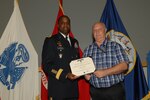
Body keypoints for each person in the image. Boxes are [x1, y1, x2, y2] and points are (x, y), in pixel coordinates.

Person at [83, 22, 129, 100]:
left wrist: (105, 72)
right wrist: (85, 74)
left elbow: (124, 65)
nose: (97, 32)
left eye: (99, 29)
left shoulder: (115, 46)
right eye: (94, 30)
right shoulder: (87, 50)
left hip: (114, 91)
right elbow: (85, 69)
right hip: (95, 92)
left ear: (105, 30)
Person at [42, 15, 80, 100]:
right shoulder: (51, 41)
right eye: (62, 23)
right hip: (58, 91)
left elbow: (77, 62)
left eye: (67, 23)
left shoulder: (75, 42)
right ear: (58, 25)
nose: (65, 25)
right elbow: (47, 65)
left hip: (73, 91)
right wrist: (65, 75)